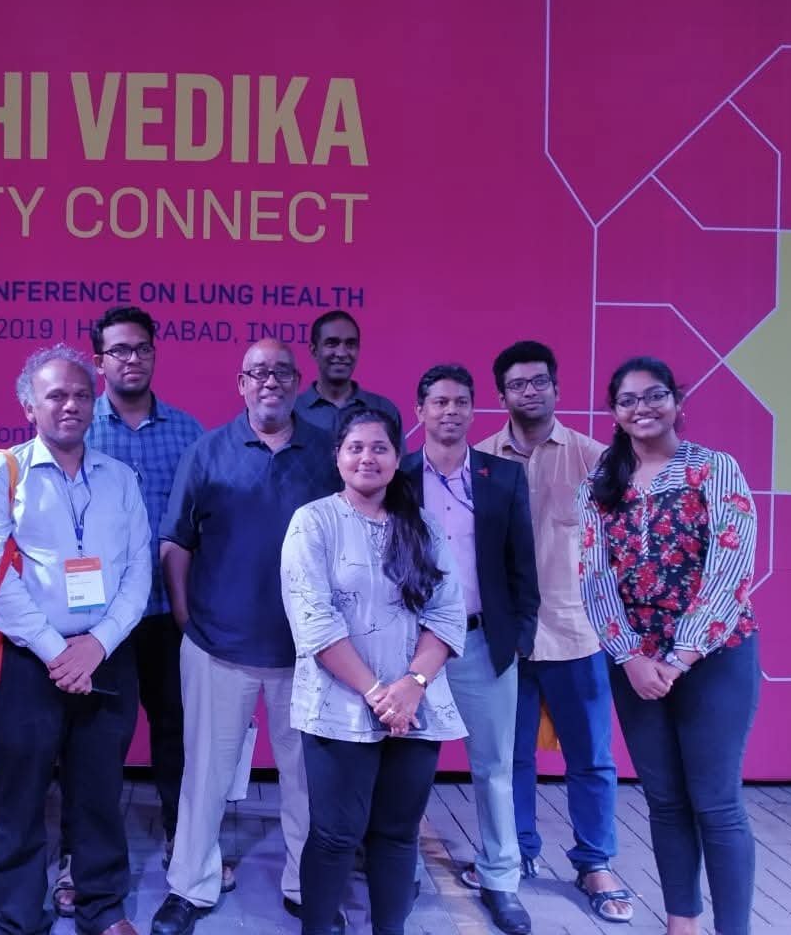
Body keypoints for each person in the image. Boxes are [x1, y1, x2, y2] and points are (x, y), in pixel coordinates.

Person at [150, 340, 341, 935]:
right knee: (204, 776)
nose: (270, 382)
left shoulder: (328, 453)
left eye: (282, 372)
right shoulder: (207, 452)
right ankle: (190, 886)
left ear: (298, 382)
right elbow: (176, 541)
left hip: (307, 652)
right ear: (241, 384)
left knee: (306, 782)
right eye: (258, 373)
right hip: (217, 646)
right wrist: (187, 619)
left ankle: (306, 886)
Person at [0, 344, 150, 935]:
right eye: (55, 396)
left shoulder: (120, 478)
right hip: (29, 660)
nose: (70, 405)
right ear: (29, 406)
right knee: (20, 796)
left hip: (106, 658)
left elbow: (139, 569)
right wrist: (55, 649)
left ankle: (102, 909)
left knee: (99, 791)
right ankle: (20, 918)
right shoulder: (4, 472)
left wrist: (97, 645)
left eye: (80, 395)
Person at [579, 357, 759, 935]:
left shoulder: (714, 469)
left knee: (716, 802)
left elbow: (731, 567)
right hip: (635, 665)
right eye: (628, 400)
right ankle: (681, 923)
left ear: (677, 402)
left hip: (713, 657)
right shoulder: (601, 483)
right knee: (665, 799)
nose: (643, 408)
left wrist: (680, 658)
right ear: (615, 413)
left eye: (655, 395)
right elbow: (594, 577)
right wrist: (630, 657)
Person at [280, 408, 468, 935]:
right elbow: (314, 620)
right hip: (339, 705)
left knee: (398, 835)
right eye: (356, 447)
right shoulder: (313, 521)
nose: (368, 457)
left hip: (415, 707)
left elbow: (447, 614)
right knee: (335, 835)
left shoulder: (422, 526)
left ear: (396, 456)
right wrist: (378, 692)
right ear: (337, 457)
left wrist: (413, 686)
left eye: (380, 447)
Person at [53, 308, 207, 918]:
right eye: (118, 350)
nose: (132, 359)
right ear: (99, 361)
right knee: (92, 742)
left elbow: (201, 524)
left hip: (170, 612)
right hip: (99, 622)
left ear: (155, 354)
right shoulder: (80, 427)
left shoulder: (189, 431)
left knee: (177, 733)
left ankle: (182, 843)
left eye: (141, 348)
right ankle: (77, 857)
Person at [475, 341, 633, 924]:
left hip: (576, 634)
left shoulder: (595, 459)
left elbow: (621, 549)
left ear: (557, 388)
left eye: (539, 381)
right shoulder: (479, 460)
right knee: (510, 757)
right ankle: (517, 853)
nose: (529, 392)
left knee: (590, 758)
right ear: (502, 396)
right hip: (507, 639)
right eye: (517, 384)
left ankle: (595, 862)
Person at [401, 364, 538, 935]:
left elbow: (522, 565)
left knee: (495, 767)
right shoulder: (398, 476)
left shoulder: (503, 476)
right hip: (414, 647)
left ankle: (501, 879)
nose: (450, 411)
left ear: (474, 410)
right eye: (439, 402)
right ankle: (402, 873)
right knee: (407, 767)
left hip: (484, 643)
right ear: (420, 411)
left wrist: (521, 635)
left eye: (460, 401)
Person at [295, 310, 401, 439]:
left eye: (350, 344)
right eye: (332, 343)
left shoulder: (384, 410)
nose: (341, 353)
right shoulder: (292, 411)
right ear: (314, 351)